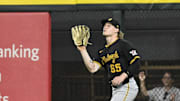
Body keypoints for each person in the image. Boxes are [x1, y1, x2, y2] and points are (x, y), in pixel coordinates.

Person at [76, 18, 141, 101]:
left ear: (116, 29)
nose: (105, 27)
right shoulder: (103, 51)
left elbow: (136, 62)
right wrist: (83, 50)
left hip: (127, 85)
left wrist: (123, 76)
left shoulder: (123, 45)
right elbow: (93, 68)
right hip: (115, 89)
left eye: (108, 26)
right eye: (104, 26)